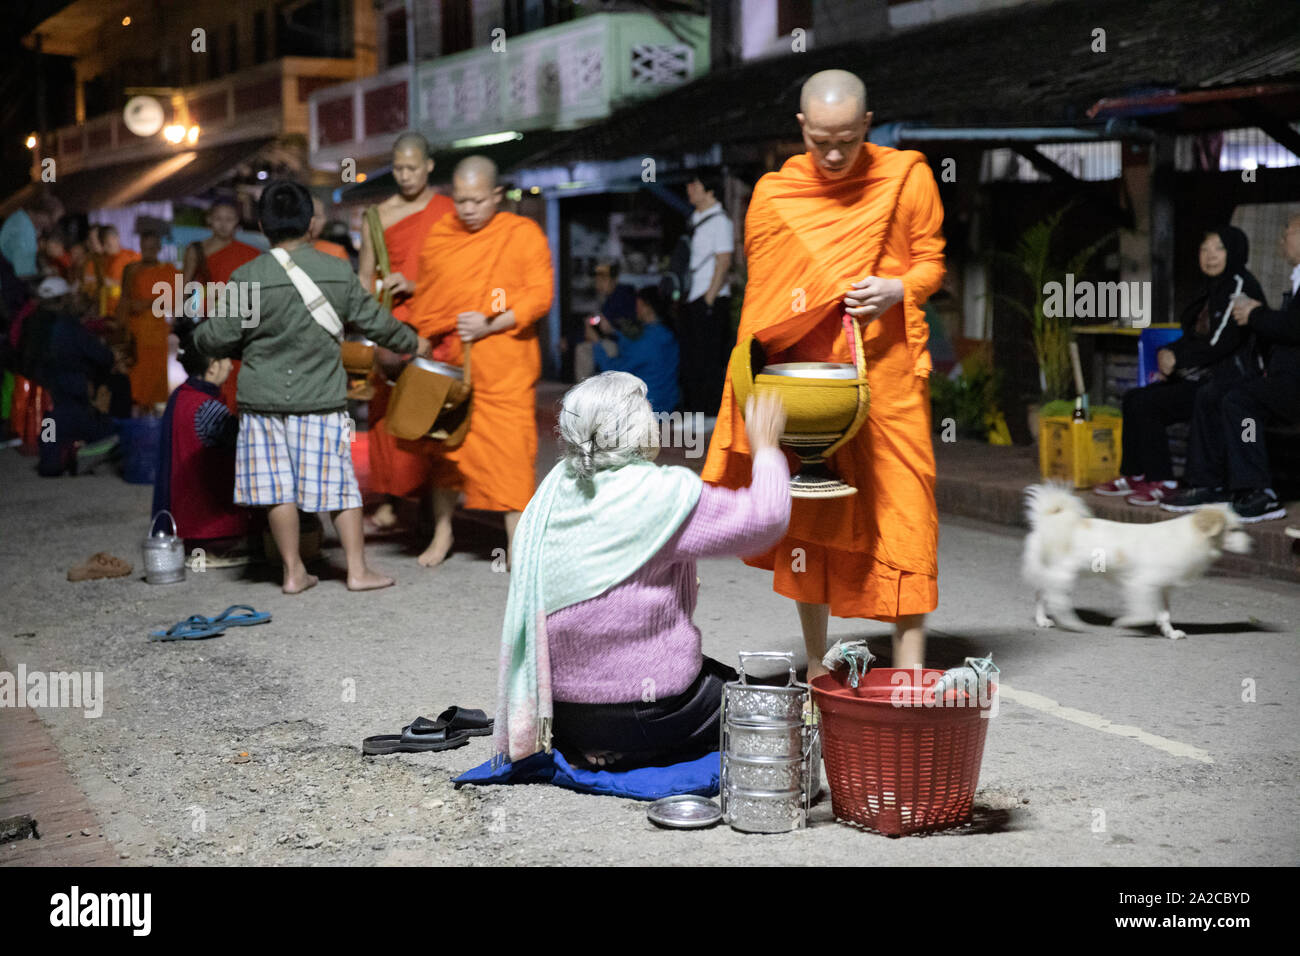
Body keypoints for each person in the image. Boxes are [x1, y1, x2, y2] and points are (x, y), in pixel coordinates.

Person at [702, 70, 946, 677]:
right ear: (802, 129)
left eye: (847, 139)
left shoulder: (905, 177)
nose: (834, 155)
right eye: (821, 142)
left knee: (906, 507)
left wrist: (897, 288)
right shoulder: (776, 195)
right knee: (811, 514)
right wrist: (758, 380)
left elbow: (932, 263)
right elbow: (764, 299)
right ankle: (815, 662)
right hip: (810, 379)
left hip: (887, 376)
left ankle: (911, 668)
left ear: (868, 124)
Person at [493, 373, 790, 769]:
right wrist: (767, 447)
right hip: (650, 709)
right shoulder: (659, 493)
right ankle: (647, 748)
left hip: (565, 713)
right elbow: (766, 519)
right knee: (766, 707)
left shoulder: (554, 488)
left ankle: (606, 745)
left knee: (717, 675)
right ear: (635, 429)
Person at [191, 180, 434, 593]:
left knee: (276, 488)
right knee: (339, 487)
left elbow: (213, 339)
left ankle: (292, 572)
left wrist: (211, 336)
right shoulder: (336, 271)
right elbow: (376, 323)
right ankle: (357, 572)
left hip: (262, 402)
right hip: (319, 401)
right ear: (310, 224)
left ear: (263, 226)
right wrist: (414, 341)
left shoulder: (247, 276)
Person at [407, 155, 554, 568]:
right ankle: (442, 533)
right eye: (460, 200)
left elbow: (539, 296)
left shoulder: (522, 233)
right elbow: (429, 302)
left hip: (506, 371)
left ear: (497, 195)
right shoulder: (442, 235)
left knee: (512, 461)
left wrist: (490, 323)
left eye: (477, 200)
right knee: (447, 458)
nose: (467, 209)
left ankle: (517, 545)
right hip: (452, 368)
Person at [1094, 225, 1265, 505]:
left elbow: (1222, 341)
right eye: (1204, 249)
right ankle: (1136, 474)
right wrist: (1168, 351)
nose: (1210, 256)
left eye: (1218, 249)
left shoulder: (1239, 285)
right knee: (1136, 399)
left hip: (1230, 380)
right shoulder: (1210, 289)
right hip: (1203, 379)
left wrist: (1178, 359)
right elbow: (1191, 337)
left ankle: (1164, 480)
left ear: (1234, 252)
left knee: (1152, 404)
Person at [1163, 210, 1300, 523]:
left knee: (1241, 402)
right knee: (1214, 395)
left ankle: (1259, 491)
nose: (1282, 239)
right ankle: (1209, 483)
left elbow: (1294, 326)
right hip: (1283, 379)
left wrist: (1255, 315)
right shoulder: (1295, 280)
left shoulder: (1242, 284)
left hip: (1292, 384)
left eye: (1289, 232)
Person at [357, 132, 456, 531]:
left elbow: (460, 273)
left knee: (434, 411)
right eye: (398, 168)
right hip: (393, 326)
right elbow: (365, 277)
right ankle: (392, 499)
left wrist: (416, 285)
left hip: (440, 324)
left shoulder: (449, 210)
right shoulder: (377, 216)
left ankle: (437, 504)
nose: (405, 175)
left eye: (413, 167)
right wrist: (371, 326)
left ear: (429, 166)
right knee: (389, 417)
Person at [153, 321, 249, 561]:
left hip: (184, 518)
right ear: (213, 367)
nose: (231, 365)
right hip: (208, 525)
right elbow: (243, 445)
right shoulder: (208, 408)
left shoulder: (181, 396)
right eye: (227, 359)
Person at [29, 278, 122, 477]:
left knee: (50, 445)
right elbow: (102, 356)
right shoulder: (68, 327)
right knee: (114, 435)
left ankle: (56, 457)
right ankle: (80, 454)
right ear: (63, 299)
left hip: (48, 399)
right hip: (73, 397)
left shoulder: (34, 323)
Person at [183, 200, 261, 411]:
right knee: (213, 376)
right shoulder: (197, 251)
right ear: (209, 220)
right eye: (218, 219)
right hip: (211, 324)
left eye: (229, 219)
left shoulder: (251, 254)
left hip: (243, 325)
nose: (223, 225)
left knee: (238, 376)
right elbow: (187, 289)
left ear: (237, 222)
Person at [678, 171, 734, 417]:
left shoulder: (720, 221)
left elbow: (723, 261)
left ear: (710, 191)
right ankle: (695, 411)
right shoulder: (696, 218)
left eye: (695, 184)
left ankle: (709, 413)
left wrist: (709, 298)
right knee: (692, 358)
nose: (690, 189)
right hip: (693, 297)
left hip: (710, 299)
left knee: (708, 359)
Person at [588, 285, 680, 414]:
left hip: (647, 408)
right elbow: (637, 348)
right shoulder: (667, 334)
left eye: (638, 305)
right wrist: (613, 331)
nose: (636, 309)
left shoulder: (646, 340)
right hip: (667, 404)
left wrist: (596, 343)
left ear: (646, 307)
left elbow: (613, 371)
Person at [117, 230, 179, 409]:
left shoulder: (169, 271)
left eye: (153, 246)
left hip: (157, 335)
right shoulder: (131, 270)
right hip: (134, 334)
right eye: (146, 246)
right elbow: (124, 298)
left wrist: (145, 305)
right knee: (134, 383)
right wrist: (119, 325)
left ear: (159, 248)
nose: (149, 250)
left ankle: (150, 417)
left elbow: (174, 302)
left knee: (153, 383)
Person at [571, 260, 637, 382]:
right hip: (613, 341)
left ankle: (583, 394)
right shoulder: (607, 298)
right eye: (597, 280)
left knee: (583, 349)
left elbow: (614, 327)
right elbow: (595, 322)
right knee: (583, 346)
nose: (599, 284)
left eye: (603, 280)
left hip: (626, 345)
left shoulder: (623, 296)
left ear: (614, 280)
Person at [91, 226, 140, 317]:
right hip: (105, 312)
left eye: (108, 244)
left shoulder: (132, 257)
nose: (105, 248)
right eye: (103, 244)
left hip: (125, 312)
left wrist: (115, 283)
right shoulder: (101, 260)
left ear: (116, 238)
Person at [310, 197, 350, 262]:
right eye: (307, 216)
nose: (312, 221)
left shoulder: (336, 252)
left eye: (317, 216)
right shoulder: (288, 250)